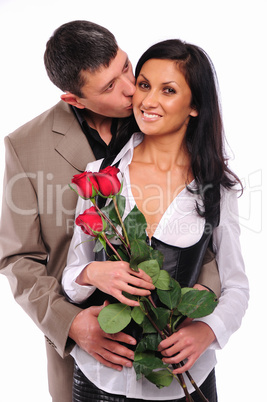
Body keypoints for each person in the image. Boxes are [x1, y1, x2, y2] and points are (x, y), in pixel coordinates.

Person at [0, 21, 219, 402]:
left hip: (174, 348)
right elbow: (18, 257)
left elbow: (206, 225)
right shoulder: (24, 146)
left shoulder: (161, 116)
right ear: (75, 100)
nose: (133, 89)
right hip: (88, 357)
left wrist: (206, 307)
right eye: (110, 87)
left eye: (126, 67)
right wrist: (71, 324)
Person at [62, 39, 249, 402]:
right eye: (144, 85)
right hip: (102, 380)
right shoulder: (100, 175)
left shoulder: (215, 188)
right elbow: (71, 279)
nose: (148, 101)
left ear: (195, 106)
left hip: (185, 382)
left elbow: (237, 287)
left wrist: (208, 330)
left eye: (169, 90)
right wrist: (91, 274)